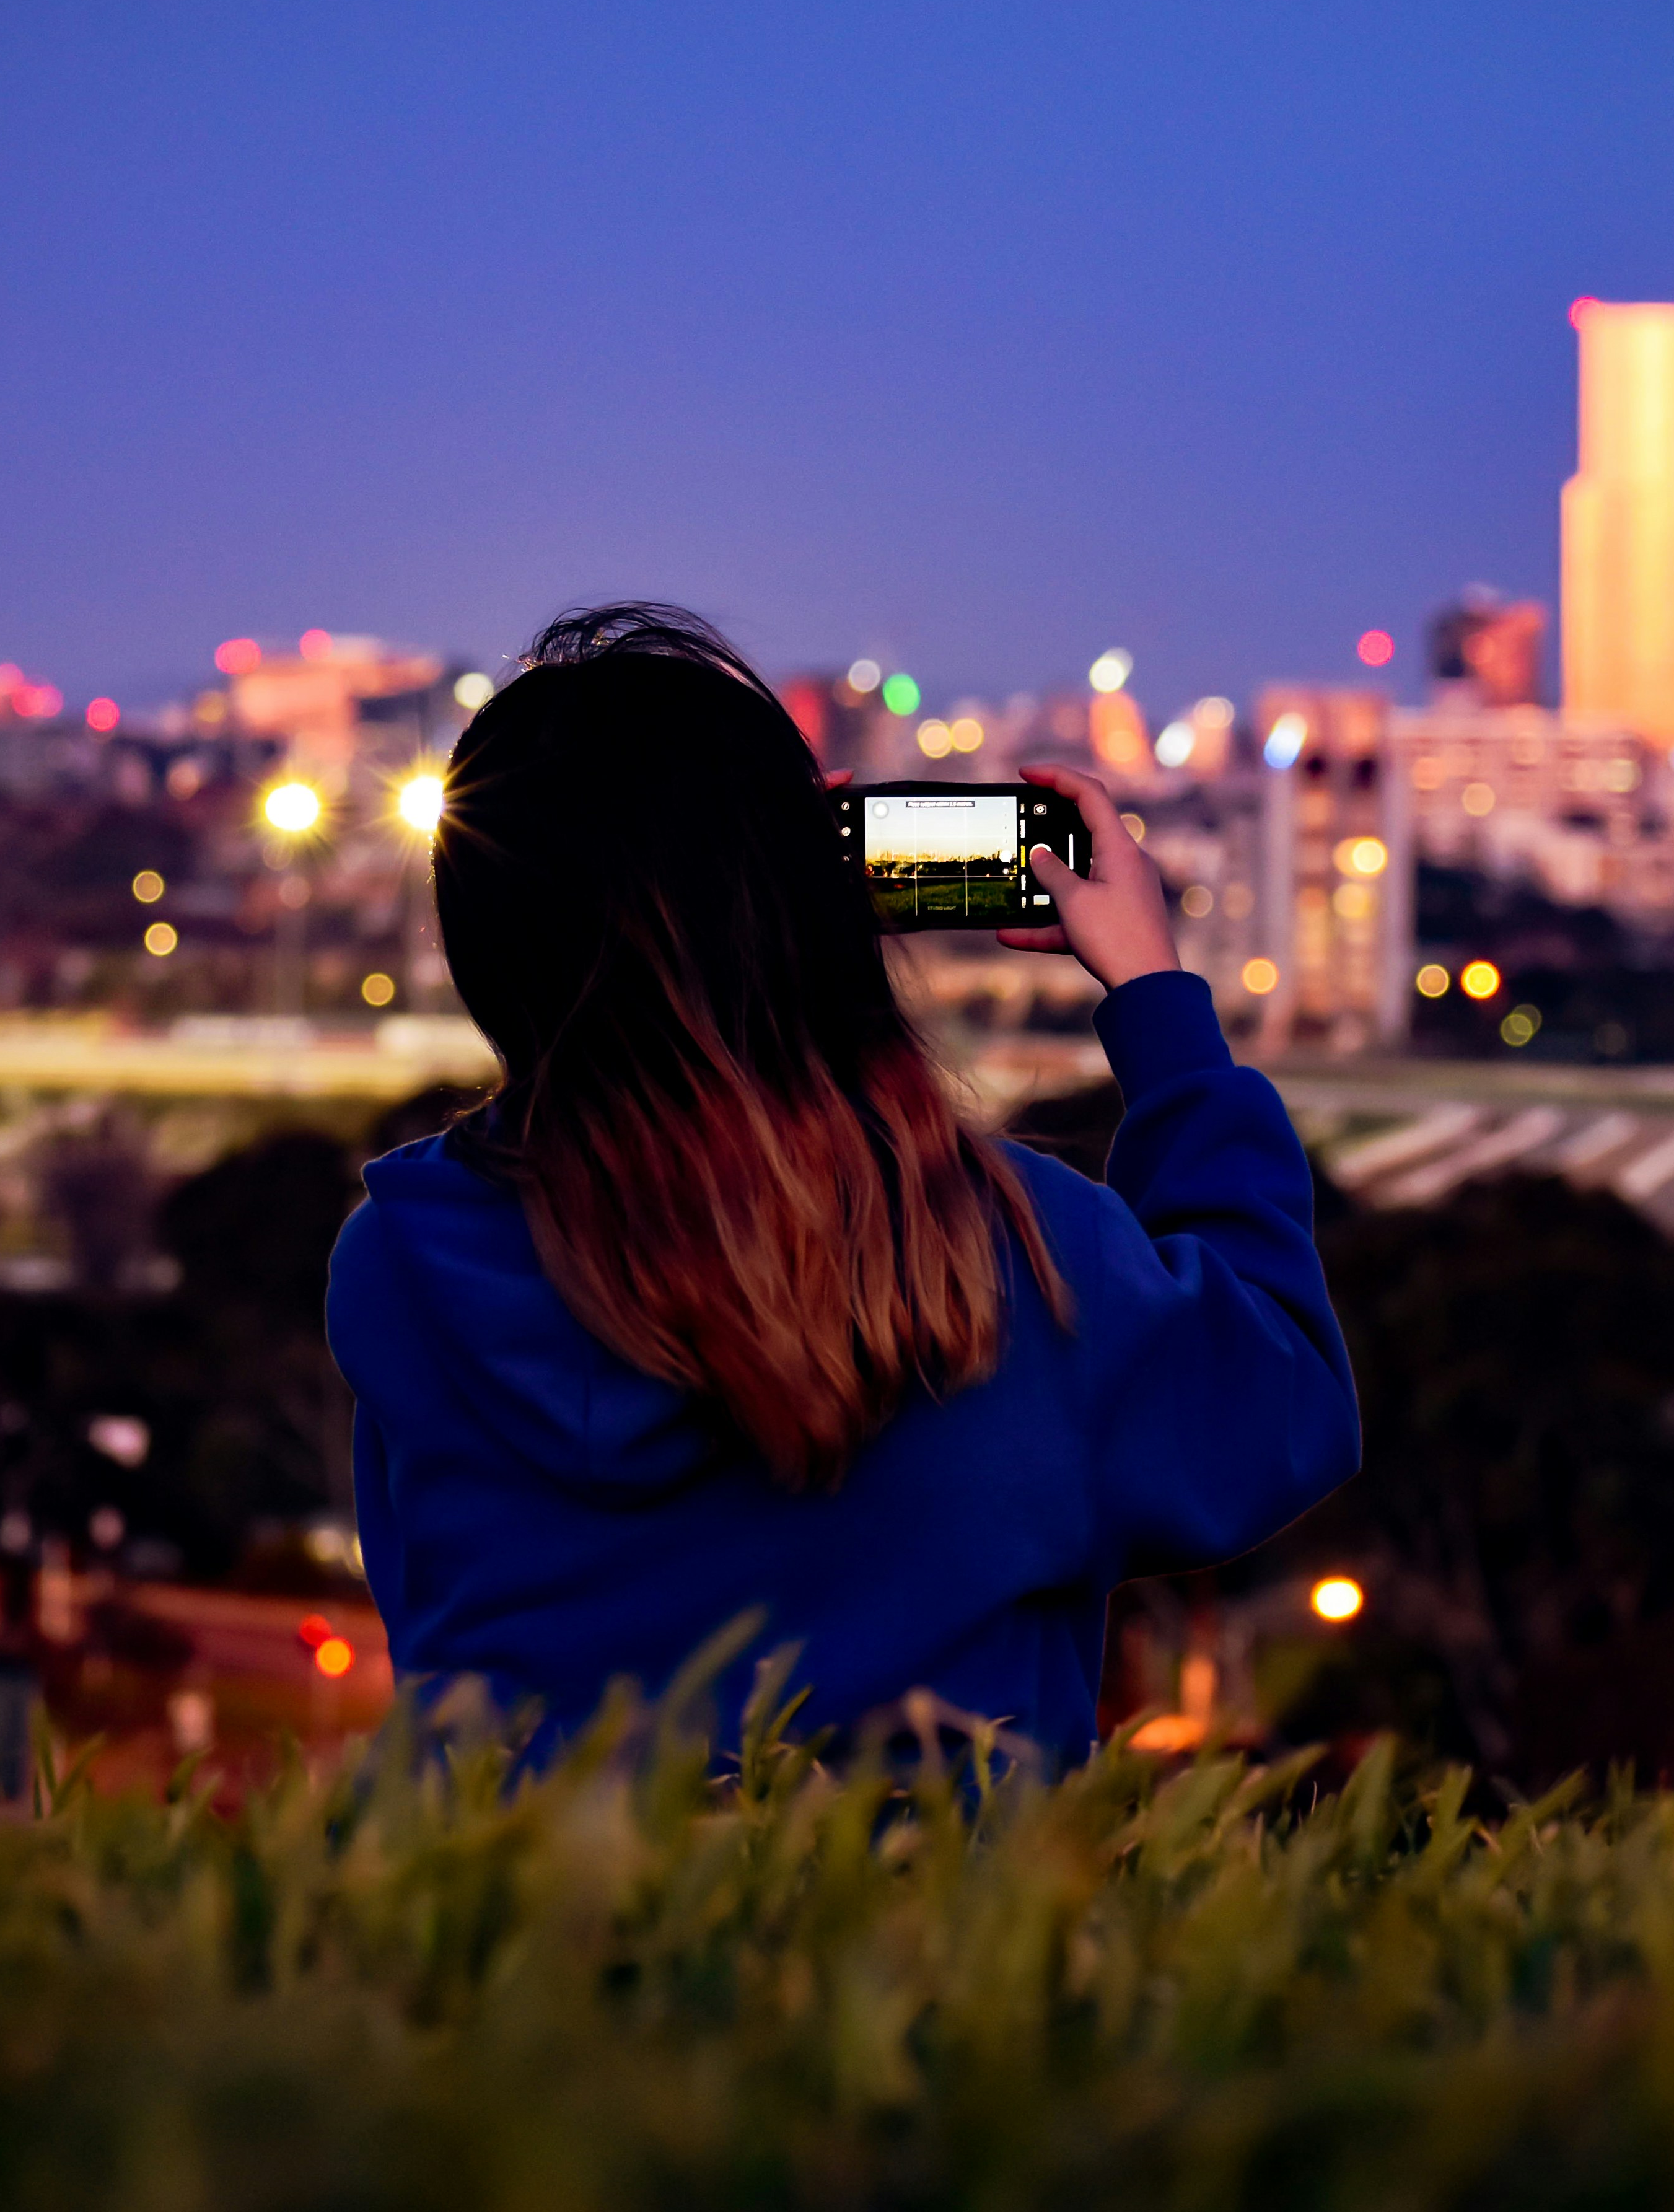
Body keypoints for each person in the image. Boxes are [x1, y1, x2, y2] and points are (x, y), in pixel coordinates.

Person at [326, 603, 1356, 1762]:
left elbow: (432, 1622)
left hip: (529, 1925)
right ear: (805, 900)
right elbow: (1282, 1407)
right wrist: (1158, 1003)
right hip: (932, 1929)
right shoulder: (1019, 1258)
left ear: (481, 942)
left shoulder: (403, 1267)